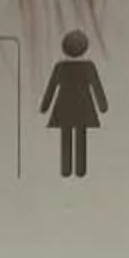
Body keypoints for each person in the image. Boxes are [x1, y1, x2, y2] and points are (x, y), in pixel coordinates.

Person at [38, 31, 108, 178]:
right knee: (81, 137)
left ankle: (66, 169)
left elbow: (51, 88)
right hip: (84, 107)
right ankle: (80, 170)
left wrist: (44, 107)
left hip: (64, 107)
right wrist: (102, 106)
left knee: (66, 137)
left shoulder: (60, 67)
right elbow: (97, 87)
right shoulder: (88, 67)